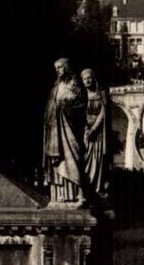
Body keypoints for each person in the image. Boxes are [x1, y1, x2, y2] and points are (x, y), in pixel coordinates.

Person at [43, 59, 86, 205]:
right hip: (55, 131)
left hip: (70, 128)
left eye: (60, 67)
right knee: (59, 161)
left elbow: (81, 107)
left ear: (67, 68)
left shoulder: (76, 87)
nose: (58, 70)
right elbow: (49, 110)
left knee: (73, 157)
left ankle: (79, 195)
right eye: (56, 68)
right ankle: (59, 196)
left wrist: (66, 107)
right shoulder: (55, 89)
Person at [81, 68, 109, 199]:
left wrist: (93, 129)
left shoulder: (101, 94)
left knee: (97, 159)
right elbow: (81, 113)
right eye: (84, 79)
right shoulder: (82, 96)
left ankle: (97, 188)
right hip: (86, 131)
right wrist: (86, 129)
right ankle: (86, 188)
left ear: (93, 79)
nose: (87, 81)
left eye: (89, 78)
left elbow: (103, 113)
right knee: (85, 159)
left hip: (98, 132)